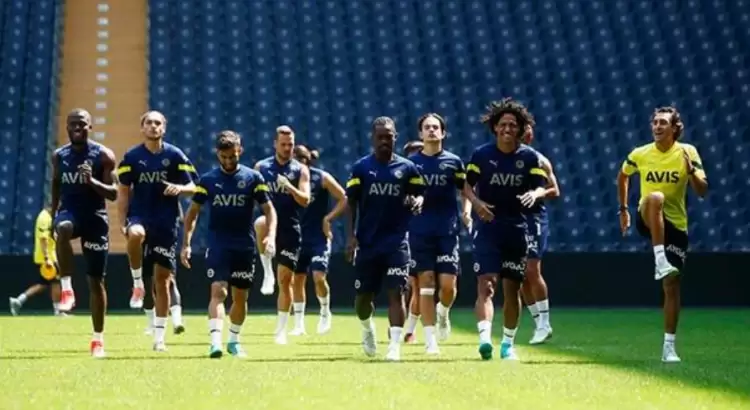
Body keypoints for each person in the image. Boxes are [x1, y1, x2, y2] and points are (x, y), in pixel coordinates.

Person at [617, 106, 708, 363]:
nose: (657, 126)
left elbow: (702, 190)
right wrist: (623, 209)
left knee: (672, 284)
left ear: (674, 128)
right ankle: (659, 259)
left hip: (675, 225)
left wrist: (691, 172)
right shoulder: (641, 153)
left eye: (663, 123)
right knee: (655, 197)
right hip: (647, 215)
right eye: (655, 122)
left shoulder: (687, 152)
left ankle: (669, 347)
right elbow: (622, 176)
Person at [463, 98, 547, 361]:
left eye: (513, 125)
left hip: (517, 229)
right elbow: (465, 185)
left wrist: (535, 194)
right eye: (503, 124)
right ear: (495, 128)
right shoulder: (481, 155)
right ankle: (485, 339)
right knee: (486, 285)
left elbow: (543, 186)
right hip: (488, 228)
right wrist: (476, 203)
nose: (508, 129)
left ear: (520, 129)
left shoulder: (529, 157)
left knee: (512, 289)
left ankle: (508, 344)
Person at [181, 130, 277, 358]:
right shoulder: (208, 180)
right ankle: (215, 343)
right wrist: (186, 243)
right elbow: (192, 213)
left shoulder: (253, 178)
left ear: (239, 151)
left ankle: (234, 341)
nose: (228, 161)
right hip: (218, 244)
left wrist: (271, 236)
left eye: (232, 156)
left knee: (240, 297)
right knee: (219, 290)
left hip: (244, 245)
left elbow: (269, 210)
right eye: (224, 157)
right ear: (218, 154)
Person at [345, 116, 425, 361]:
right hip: (368, 242)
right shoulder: (361, 168)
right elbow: (351, 202)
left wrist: (417, 201)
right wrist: (350, 236)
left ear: (395, 138)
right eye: (380, 137)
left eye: (388, 137)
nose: (384, 141)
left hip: (396, 242)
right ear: (373, 138)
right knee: (363, 299)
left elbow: (419, 194)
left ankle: (394, 346)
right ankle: (367, 328)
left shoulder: (408, 169)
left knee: (396, 292)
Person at [117, 110, 197, 351]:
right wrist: (122, 221)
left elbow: (195, 186)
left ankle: (159, 338)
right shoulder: (131, 157)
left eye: (157, 123)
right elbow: (123, 192)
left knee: (162, 281)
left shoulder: (174, 155)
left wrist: (179, 188)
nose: (153, 126)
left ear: (164, 128)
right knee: (136, 234)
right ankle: (137, 283)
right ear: (142, 128)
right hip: (140, 216)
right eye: (149, 123)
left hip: (166, 222)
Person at [50, 108, 117, 357]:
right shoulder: (59, 155)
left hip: (95, 219)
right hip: (70, 213)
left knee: (96, 282)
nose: (77, 127)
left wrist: (92, 182)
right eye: (73, 124)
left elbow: (114, 193)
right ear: (67, 127)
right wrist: (53, 214)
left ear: (90, 127)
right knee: (63, 228)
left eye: (82, 124)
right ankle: (67, 288)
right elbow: (56, 184)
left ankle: (98, 339)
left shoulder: (103, 156)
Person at [402, 113, 471, 355]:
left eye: (435, 127)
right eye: (427, 127)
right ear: (420, 133)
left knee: (448, 288)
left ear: (443, 133)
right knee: (426, 284)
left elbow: (466, 190)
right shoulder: (410, 165)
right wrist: (411, 200)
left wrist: (467, 212)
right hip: (419, 231)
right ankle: (430, 341)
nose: (431, 130)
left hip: (447, 232)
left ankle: (443, 312)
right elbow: (403, 194)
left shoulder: (454, 162)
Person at [254, 125, 311, 345]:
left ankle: (281, 330)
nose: (287, 148)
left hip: (290, 228)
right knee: (260, 222)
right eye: (284, 144)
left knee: (286, 281)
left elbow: (305, 200)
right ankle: (266, 270)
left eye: (291, 144)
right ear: (275, 144)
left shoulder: (300, 170)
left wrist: (289, 187)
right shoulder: (262, 167)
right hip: (269, 224)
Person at [290, 145, 346, 335]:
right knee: (297, 280)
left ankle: (324, 311)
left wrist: (328, 219)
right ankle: (299, 324)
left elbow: (344, 198)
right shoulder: (288, 180)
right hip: (297, 237)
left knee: (318, 277)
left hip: (318, 237)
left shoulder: (321, 177)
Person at [521, 124, 560, 345]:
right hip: (512, 219)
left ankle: (545, 322)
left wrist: (538, 193)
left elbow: (555, 189)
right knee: (518, 275)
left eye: (528, 131)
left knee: (532, 269)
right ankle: (539, 324)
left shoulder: (540, 160)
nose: (526, 134)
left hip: (533, 218)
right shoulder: (503, 158)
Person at [9, 207, 64, 316]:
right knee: (56, 282)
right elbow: (43, 239)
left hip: (47, 256)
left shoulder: (49, 216)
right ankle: (58, 311)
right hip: (47, 258)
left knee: (43, 284)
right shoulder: (44, 218)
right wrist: (47, 258)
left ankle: (18, 300)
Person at [400, 139, 424, 343]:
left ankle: (410, 328)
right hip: (405, 235)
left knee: (421, 286)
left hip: (428, 235)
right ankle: (404, 327)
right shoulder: (399, 179)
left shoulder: (431, 178)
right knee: (407, 284)